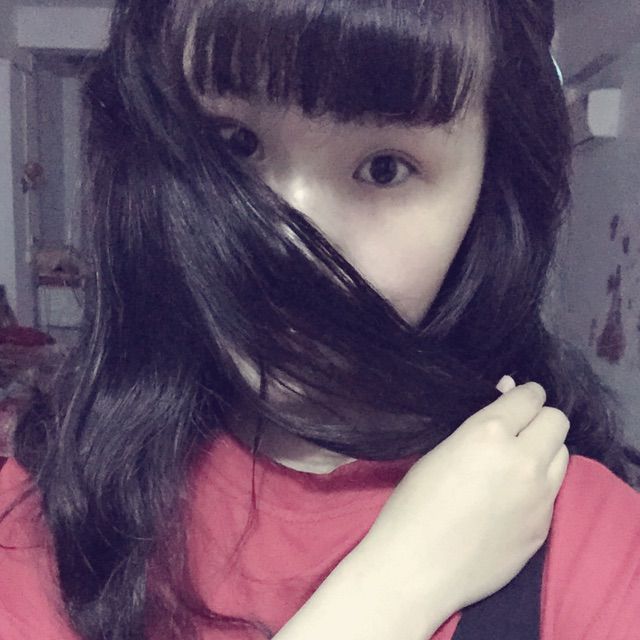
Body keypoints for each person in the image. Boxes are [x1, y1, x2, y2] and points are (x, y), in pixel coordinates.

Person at [1, 1, 639, 639]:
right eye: (234, 144)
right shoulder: (45, 510)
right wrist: (396, 586)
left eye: (384, 169)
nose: (292, 248)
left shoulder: (588, 540)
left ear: (488, 198)